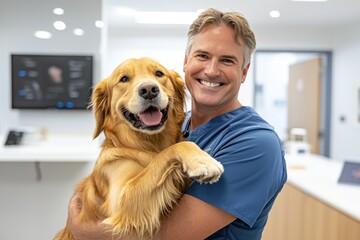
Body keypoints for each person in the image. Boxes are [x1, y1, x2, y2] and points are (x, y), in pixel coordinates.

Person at [68, 8, 287, 240]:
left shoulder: (256, 143)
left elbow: (168, 236)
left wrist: (84, 230)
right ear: (186, 61)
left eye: (227, 60)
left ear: (244, 71)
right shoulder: (176, 128)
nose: (211, 70)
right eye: (202, 56)